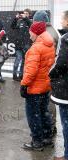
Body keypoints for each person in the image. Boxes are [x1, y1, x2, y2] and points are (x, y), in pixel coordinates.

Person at [20, 21, 55, 151]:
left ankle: (37, 142)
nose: (29, 35)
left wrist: (24, 85)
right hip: (45, 86)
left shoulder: (35, 48)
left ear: (36, 32)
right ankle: (47, 137)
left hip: (34, 88)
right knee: (44, 112)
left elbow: (31, 71)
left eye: (31, 33)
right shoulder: (50, 45)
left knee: (33, 115)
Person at [49, 11, 68, 160]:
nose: (61, 21)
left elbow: (60, 63)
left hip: (66, 89)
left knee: (66, 123)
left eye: (63, 18)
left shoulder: (65, 38)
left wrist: (51, 73)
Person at [11, 9, 32, 81]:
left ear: (29, 14)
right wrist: (15, 18)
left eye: (26, 13)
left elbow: (31, 26)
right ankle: (14, 75)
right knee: (18, 59)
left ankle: (21, 75)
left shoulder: (30, 22)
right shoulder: (19, 21)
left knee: (24, 61)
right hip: (18, 45)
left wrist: (26, 18)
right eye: (24, 13)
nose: (25, 14)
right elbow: (12, 26)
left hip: (26, 45)